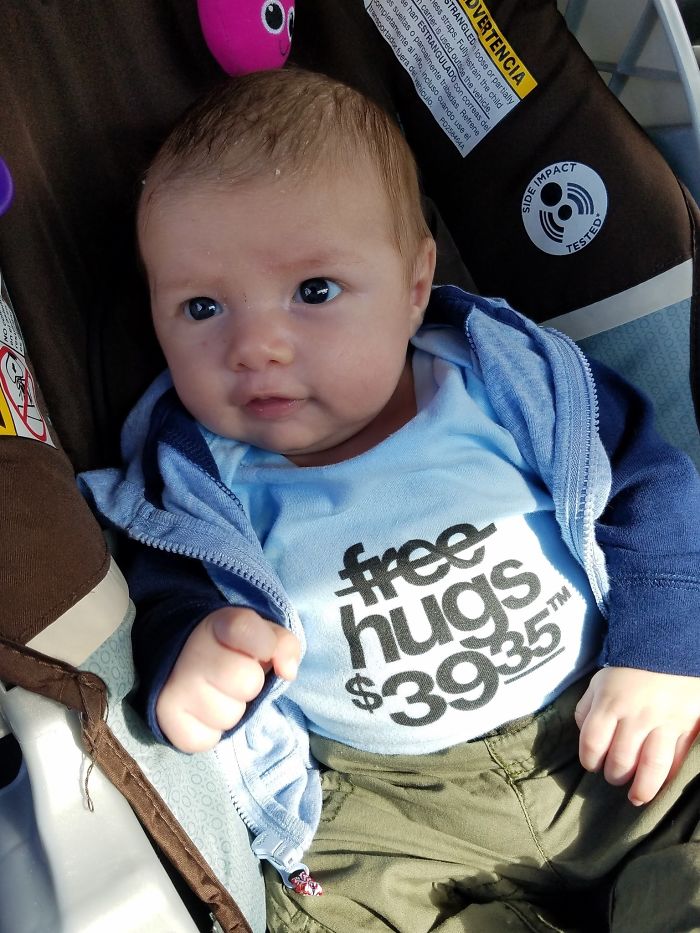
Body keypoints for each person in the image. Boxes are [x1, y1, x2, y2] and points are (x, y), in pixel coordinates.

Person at [80, 67, 700, 932]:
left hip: (609, 728)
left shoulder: (507, 385)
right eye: (202, 306)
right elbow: (165, 593)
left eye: (314, 291)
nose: (254, 345)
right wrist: (192, 647)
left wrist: (664, 655)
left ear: (414, 288)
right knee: (318, 912)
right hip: (391, 812)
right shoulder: (195, 483)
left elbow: (652, 489)